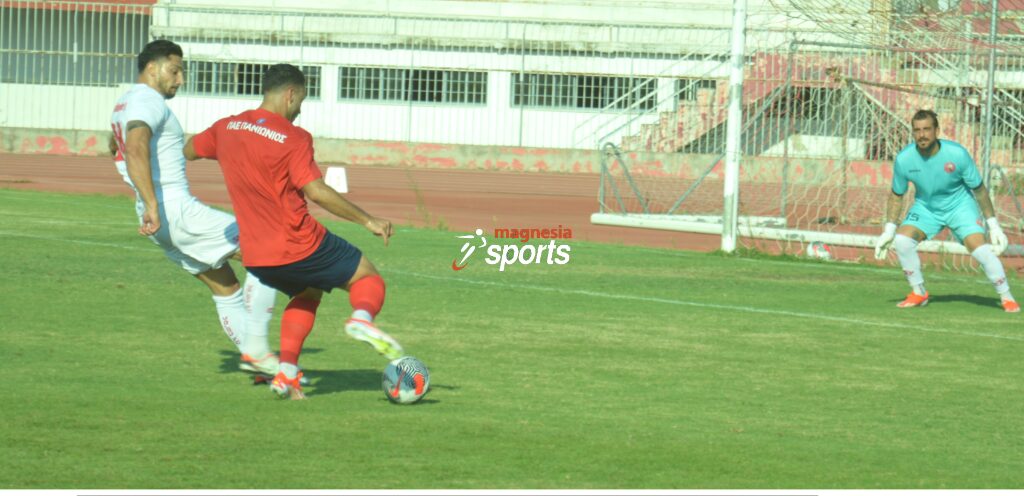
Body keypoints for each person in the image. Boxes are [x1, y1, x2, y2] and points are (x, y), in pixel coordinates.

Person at [184, 63, 404, 400]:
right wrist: (367, 220)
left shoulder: (226, 128)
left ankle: (286, 374)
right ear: (290, 94)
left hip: (256, 257)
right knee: (367, 276)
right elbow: (316, 191)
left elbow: (189, 150)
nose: (300, 110)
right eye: (301, 100)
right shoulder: (293, 138)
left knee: (309, 293)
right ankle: (361, 319)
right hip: (298, 242)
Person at [110, 40, 283, 374]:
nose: (180, 79)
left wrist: (147, 202)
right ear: (152, 68)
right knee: (268, 250)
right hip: (175, 211)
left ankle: (261, 364)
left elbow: (116, 146)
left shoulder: (125, 102)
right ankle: (262, 349)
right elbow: (135, 148)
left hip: (159, 218)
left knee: (226, 287)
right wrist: (153, 204)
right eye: (174, 71)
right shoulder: (147, 100)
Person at [874, 109, 1019, 313]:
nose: (922, 135)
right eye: (917, 130)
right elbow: (897, 195)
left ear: (936, 131)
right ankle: (918, 292)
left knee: (981, 250)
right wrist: (889, 230)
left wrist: (994, 226)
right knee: (902, 241)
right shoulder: (904, 159)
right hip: (926, 207)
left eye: (927, 129)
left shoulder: (957, 154)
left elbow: (979, 190)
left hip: (960, 206)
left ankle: (1006, 296)